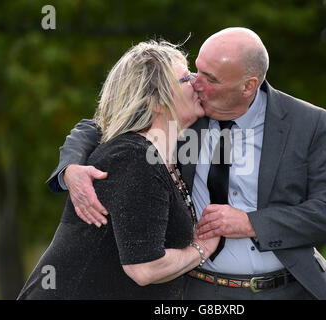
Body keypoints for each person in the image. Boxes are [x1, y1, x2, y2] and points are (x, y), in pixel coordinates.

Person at [47, 28, 326, 300]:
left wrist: (250, 224)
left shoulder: (305, 122)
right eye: (196, 72)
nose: (197, 83)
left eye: (211, 79)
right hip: (199, 289)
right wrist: (71, 169)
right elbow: (104, 121)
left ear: (248, 86)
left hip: (291, 287)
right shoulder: (180, 113)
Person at [18, 40, 219, 300]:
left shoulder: (164, 154)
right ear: (156, 102)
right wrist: (199, 249)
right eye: (185, 79)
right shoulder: (132, 157)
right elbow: (144, 268)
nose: (196, 84)